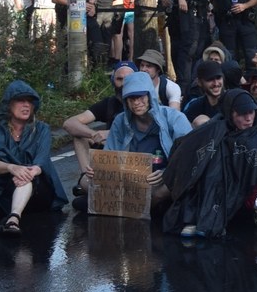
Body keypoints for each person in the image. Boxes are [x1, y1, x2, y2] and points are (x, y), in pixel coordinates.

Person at [163, 89, 257, 237]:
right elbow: (187, 146)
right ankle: (198, 218)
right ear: (230, 113)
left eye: (251, 112)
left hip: (247, 187)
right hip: (216, 180)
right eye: (242, 113)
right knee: (213, 161)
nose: (248, 118)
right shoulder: (216, 127)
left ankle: (208, 219)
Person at [79, 72, 193, 212]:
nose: (136, 102)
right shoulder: (120, 121)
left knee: (166, 188)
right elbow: (110, 156)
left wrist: (166, 173)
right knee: (85, 181)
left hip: (160, 178)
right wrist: (98, 170)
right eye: (131, 98)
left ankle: (135, 207)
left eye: (141, 96)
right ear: (126, 101)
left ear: (150, 96)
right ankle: (137, 207)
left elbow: (188, 155)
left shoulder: (175, 118)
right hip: (130, 180)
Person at [0, 81, 67, 235]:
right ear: (9, 104)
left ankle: (13, 219)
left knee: (27, 177)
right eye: (21, 100)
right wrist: (11, 168)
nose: (26, 105)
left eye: (29, 101)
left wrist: (26, 172)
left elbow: (40, 161)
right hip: (5, 187)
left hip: (38, 190)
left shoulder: (42, 129)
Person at [63, 63, 135, 196]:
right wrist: (93, 134)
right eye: (120, 79)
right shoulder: (109, 103)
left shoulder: (142, 103)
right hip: (108, 154)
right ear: (113, 80)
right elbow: (69, 123)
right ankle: (86, 177)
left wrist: (112, 134)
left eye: (128, 79)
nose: (124, 83)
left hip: (132, 155)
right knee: (80, 135)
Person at [182, 60, 228, 127]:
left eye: (218, 78)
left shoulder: (233, 100)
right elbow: (182, 128)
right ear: (199, 82)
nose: (216, 83)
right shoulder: (195, 106)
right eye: (210, 79)